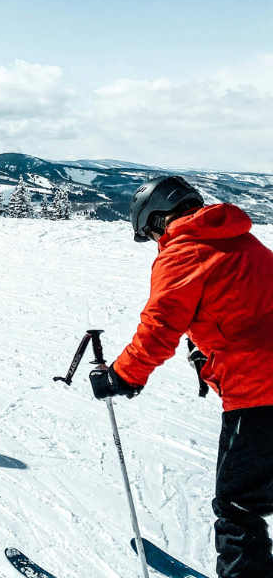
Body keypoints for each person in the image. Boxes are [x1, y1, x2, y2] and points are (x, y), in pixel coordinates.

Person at [89, 175, 273, 578]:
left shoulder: (184, 251)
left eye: (151, 232)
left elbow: (158, 328)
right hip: (263, 383)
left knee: (237, 505)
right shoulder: (243, 241)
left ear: (157, 219)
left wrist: (121, 376)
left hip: (259, 393)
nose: (156, 241)